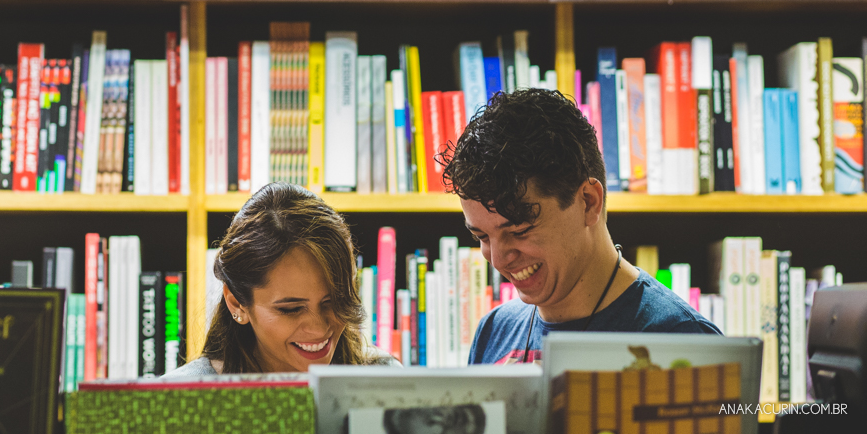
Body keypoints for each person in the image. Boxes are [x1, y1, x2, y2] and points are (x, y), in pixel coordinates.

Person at [441, 89, 720, 365]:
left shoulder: (685, 343)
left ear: (588, 202)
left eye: (519, 231)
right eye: (482, 237)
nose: (499, 260)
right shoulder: (493, 332)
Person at [164, 182, 398, 376]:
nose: (318, 328)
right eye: (291, 309)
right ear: (236, 303)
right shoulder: (179, 400)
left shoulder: (386, 381)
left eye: (332, 301)